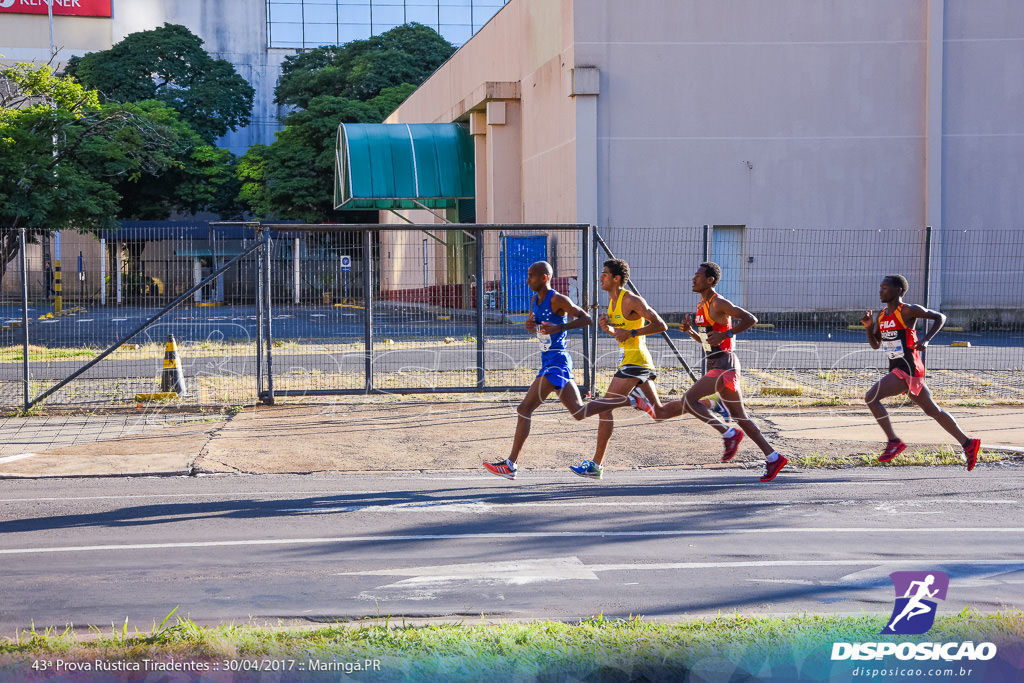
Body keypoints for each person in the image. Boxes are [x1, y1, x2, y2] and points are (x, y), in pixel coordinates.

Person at [633, 262, 788, 482]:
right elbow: (709, 341)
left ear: (710, 280)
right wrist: (692, 333)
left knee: (689, 400)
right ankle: (773, 457)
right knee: (740, 416)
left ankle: (728, 433)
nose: (693, 279)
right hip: (716, 363)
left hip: (725, 364)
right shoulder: (701, 305)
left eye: (697, 276)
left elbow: (750, 319)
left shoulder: (719, 302)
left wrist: (727, 335)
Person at [483, 261, 593, 480]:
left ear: (545, 277)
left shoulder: (557, 299)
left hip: (557, 361)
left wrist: (560, 327)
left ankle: (510, 465)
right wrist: (531, 326)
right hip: (549, 361)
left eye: (531, 276)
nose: (527, 279)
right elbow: (538, 325)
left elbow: (587, 319)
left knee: (524, 408)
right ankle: (622, 401)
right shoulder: (535, 300)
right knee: (579, 412)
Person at [564, 258, 670, 480]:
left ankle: (596, 465)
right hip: (630, 361)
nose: (600, 277)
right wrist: (609, 329)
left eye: (604, 274)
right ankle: (710, 403)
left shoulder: (631, 300)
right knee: (660, 413)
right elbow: (623, 334)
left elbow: (661, 325)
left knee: (604, 406)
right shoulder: (612, 303)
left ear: (616, 278)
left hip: (636, 361)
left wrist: (631, 334)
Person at [860, 275, 980, 470]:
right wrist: (868, 327)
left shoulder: (906, 310)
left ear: (898, 290)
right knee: (933, 410)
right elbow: (875, 344)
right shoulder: (882, 316)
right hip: (900, 369)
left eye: (885, 287)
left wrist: (926, 339)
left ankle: (894, 442)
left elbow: (940, 317)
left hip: (907, 368)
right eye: (880, 287)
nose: (880, 291)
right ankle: (968, 443)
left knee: (871, 397)